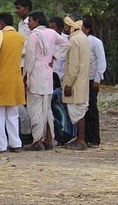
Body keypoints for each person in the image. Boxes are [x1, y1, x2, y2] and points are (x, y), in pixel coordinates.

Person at [23, 12, 70, 151]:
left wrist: (25, 77)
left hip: (36, 76)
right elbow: (66, 44)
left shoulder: (34, 36)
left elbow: (30, 60)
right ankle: (49, 140)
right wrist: (54, 57)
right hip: (47, 76)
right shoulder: (52, 33)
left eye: (30, 21)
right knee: (46, 109)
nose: (28, 23)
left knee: (35, 110)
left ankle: (38, 141)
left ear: (37, 21)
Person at [0, 12, 26, 153]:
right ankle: (16, 143)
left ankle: (1, 146)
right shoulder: (20, 38)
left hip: (0, 81)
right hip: (15, 81)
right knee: (13, 115)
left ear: (2, 24)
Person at [62, 13, 92, 151]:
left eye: (66, 24)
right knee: (80, 111)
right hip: (82, 81)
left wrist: (68, 84)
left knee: (78, 112)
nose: (65, 27)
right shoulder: (84, 38)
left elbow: (73, 65)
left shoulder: (74, 41)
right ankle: (81, 139)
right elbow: (89, 61)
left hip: (75, 83)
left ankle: (80, 140)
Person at [82, 18, 106, 147]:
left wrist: (98, 79)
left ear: (87, 29)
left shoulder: (95, 42)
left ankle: (94, 138)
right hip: (82, 79)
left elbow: (101, 61)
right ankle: (84, 137)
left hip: (91, 79)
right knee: (82, 109)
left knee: (92, 108)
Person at [14, 0, 32, 67]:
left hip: (28, 60)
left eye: (18, 8)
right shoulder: (20, 23)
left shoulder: (32, 23)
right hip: (20, 60)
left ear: (26, 8)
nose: (16, 11)